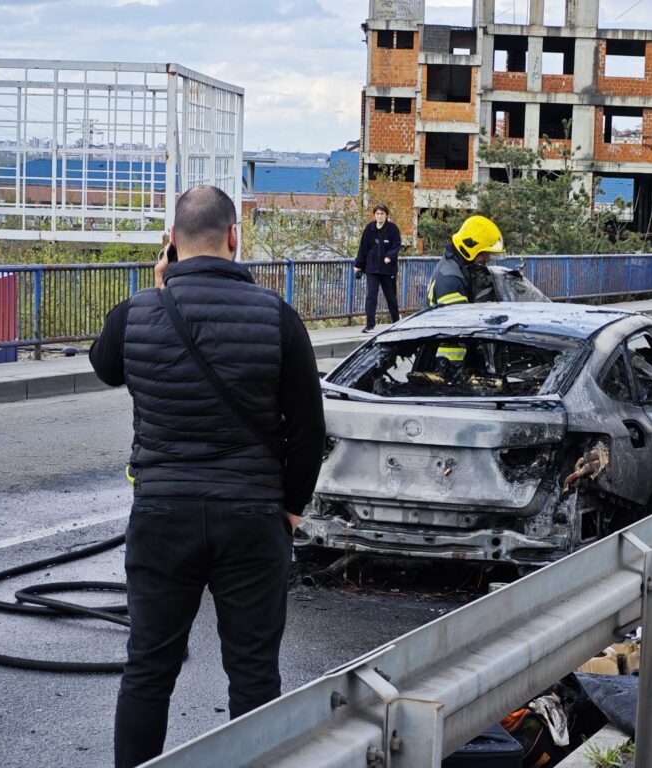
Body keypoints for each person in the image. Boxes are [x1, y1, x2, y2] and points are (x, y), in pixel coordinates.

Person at [89, 186, 326, 768]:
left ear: (171, 242)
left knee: (148, 669)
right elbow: (310, 430)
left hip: (162, 514)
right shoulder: (277, 317)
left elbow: (103, 365)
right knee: (252, 674)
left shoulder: (138, 313)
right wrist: (289, 510)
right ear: (233, 237)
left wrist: (159, 286)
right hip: (251, 517)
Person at [426, 214, 506, 308]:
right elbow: (460, 320)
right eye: (485, 254)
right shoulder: (450, 279)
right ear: (470, 249)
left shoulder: (455, 264)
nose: (487, 259)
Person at [354, 203, 402, 333]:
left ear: (386, 215)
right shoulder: (369, 229)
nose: (380, 216)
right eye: (377, 214)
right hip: (372, 269)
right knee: (371, 296)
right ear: (374, 215)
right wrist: (358, 265)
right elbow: (363, 248)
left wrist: (390, 256)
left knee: (390, 297)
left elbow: (397, 245)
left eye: (382, 214)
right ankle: (370, 325)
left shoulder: (392, 229)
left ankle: (396, 322)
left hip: (388, 270)